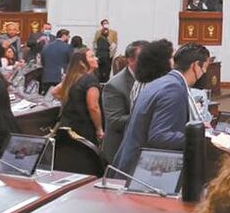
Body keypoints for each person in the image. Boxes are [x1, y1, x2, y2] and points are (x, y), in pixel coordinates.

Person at [113, 43, 210, 175]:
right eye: (205, 67)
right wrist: (199, 135)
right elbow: (160, 136)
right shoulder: (174, 88)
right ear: (195, 66)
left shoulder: (162, 82)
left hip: (130, 163)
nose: (205, 72)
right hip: (140, 172)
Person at [101, 40, 146, 163]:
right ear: (131, 60)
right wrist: (147, 116)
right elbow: (115, 121)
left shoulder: (150, 79)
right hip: (120, 150)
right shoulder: (115, 85)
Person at [51, 48, 103, 144]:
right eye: (92, 56)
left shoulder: (72, 77)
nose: (96, 59)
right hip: (83, 129)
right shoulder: (90, 80)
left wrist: (68, 100)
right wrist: (99, 129)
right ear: (82, 62)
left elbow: (54, 92)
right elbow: (93, 107)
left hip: (66, 126)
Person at [40, 29, 72, 95]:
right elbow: (71, 62)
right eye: (68, 36)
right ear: (64, 36)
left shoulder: (46, 46)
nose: (69, 38)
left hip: (46, 77)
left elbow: (42, 62)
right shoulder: (68, 47)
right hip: (60, 78)